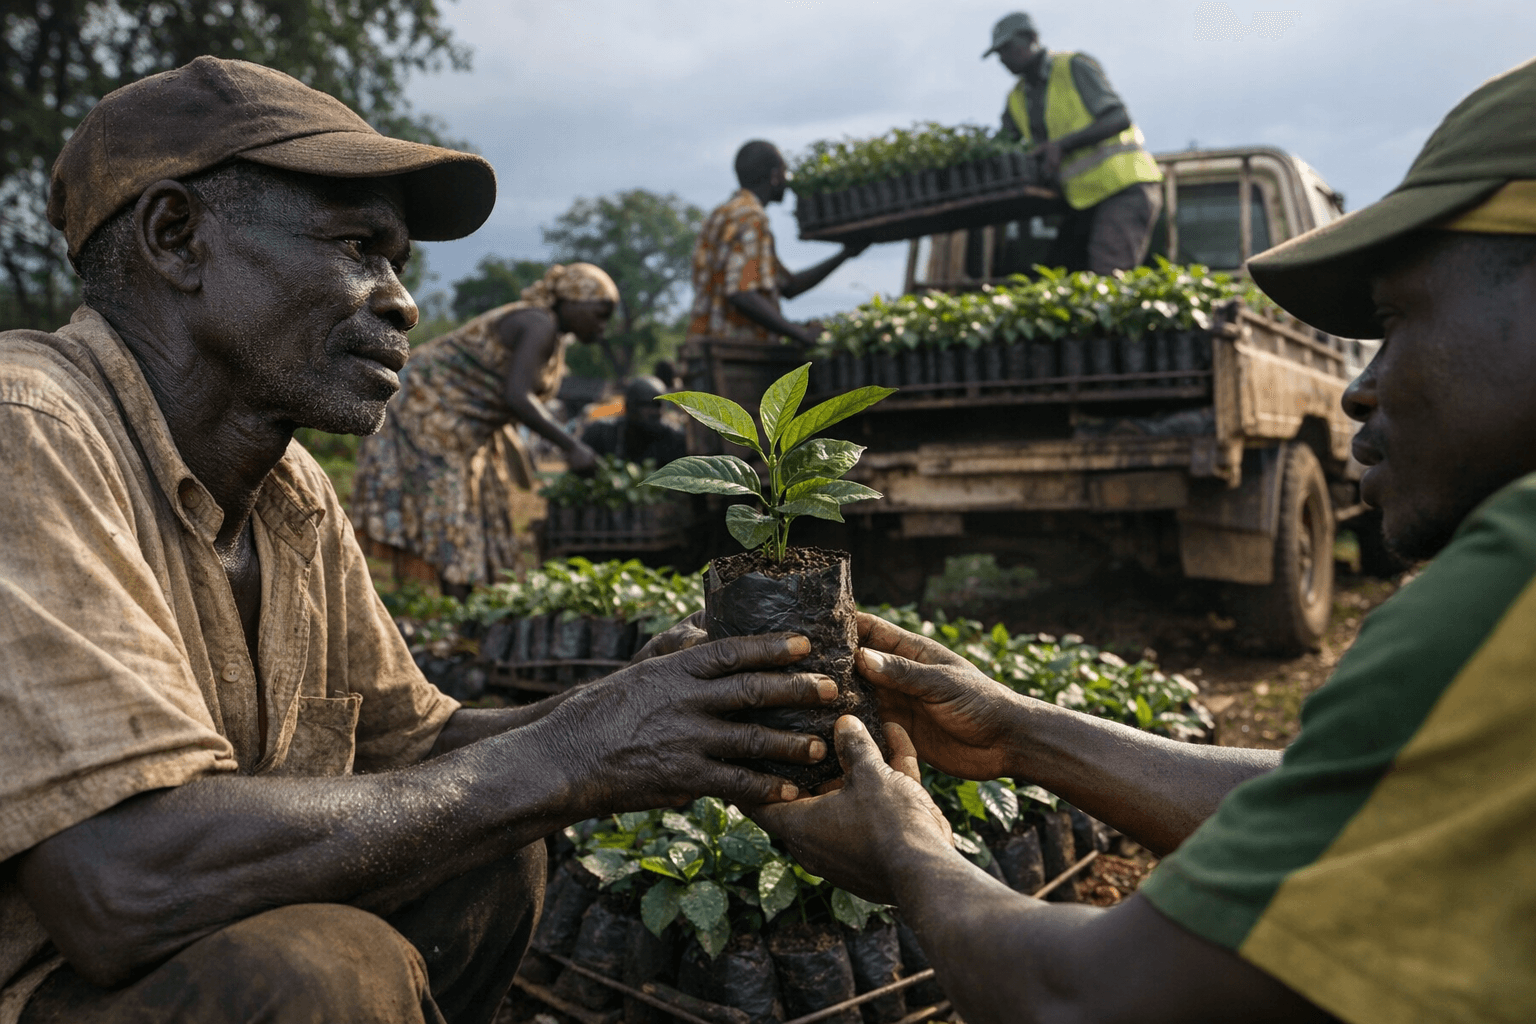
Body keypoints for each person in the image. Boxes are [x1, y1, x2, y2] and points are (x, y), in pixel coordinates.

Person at [0, 57, 840, 1024]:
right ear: (176, 238)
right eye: (360, 246)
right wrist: (576, 751)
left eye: (398, 263)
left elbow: (419, 744)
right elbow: (120, 882)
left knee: (489, 857)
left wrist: (639, 707)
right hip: (40, 978)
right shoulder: (34, 427)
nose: (400, 301)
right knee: (322, 972)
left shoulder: (287, 493)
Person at [749, 56, 1536, 1023]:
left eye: (1394, 319)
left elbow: (1090, 1004)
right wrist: (1021, 727)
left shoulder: (1519, 579)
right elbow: (1336, 811)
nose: (1359, 385)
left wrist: (909, 851)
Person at [352, 262, 614, 595]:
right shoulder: (539, 325)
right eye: (600, 313)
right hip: (429, 410)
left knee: (480, 511)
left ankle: (472, 606)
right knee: (452, 511)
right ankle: (454, 613)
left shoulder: (549, 332)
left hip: (463, 424)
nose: (603, 326)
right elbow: (518, 397)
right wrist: (571, 446)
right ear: (572, 301)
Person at [986, 12, 1165, 274]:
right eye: (998, 53)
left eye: (1008, 48)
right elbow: (1004, 146)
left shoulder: (1073, 66)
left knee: (1107, 277)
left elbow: (1119, 118)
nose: (1003, 58)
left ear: (1032, 39)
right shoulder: (1016, 98)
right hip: (1082, 200)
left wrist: (1062, 145)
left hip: (1124, 188)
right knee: (1060, 274)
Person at [687, 140, 868, 346]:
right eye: (784, 172)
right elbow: (741, 293)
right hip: (734, 353)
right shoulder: (751, 218)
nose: (787, 181)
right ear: (774, 176)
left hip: (702, 346)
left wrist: (846, 254)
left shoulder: (720, 216)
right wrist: (799, 334)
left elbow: (787, 287)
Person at [581, 375, 688, 466]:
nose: (654, 412)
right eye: (646, 405)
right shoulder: (601, 433)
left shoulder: (674, 439)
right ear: (630, 406)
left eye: (658, 405)